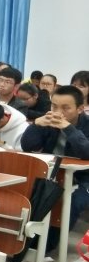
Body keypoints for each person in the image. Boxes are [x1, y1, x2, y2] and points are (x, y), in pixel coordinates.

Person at [20, 85, 89, 251]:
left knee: (72, 202)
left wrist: (68, 128)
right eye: (54, 106)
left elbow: (86, 152)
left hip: (83, 177)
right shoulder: (48, 121)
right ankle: (25, 242)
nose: (58, 112)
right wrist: (36, 124)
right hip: (53, 173)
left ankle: (46, 247)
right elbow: (28, 146)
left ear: (80, 109)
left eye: (66, 108)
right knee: (27, 190)